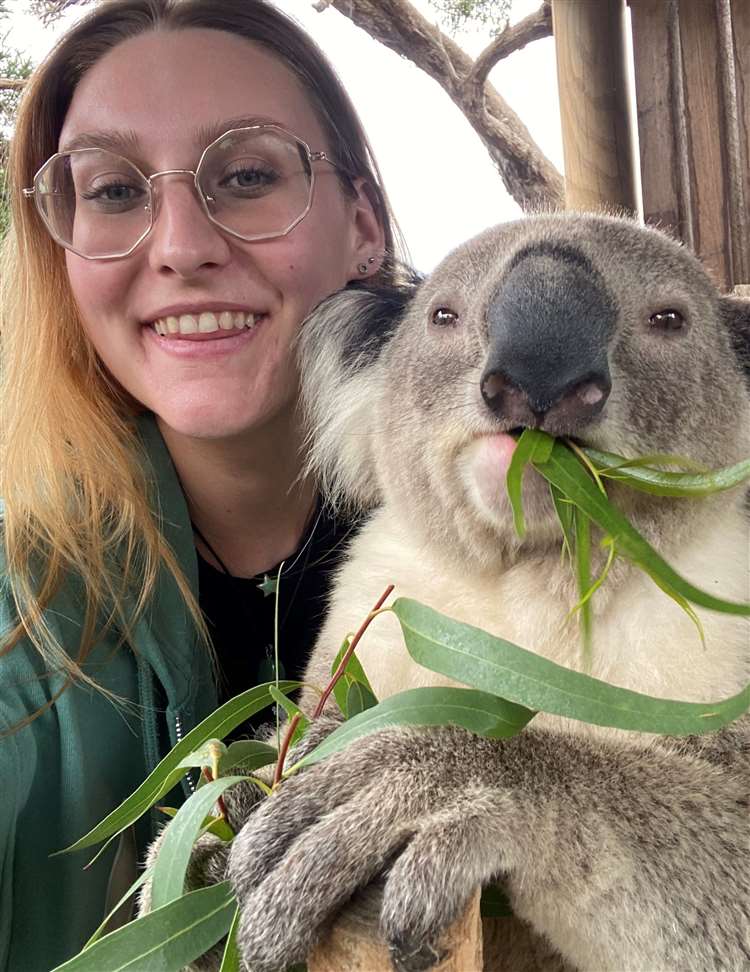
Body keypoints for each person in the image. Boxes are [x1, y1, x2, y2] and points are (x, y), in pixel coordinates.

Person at [0, 2, 405, 968]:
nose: (181, 245)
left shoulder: (554, 550)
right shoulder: (24, 613)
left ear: (362, 228)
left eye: (250, 175)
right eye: (111, 191)